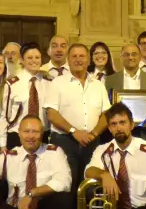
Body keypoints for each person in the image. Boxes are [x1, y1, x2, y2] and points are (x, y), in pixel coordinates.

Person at [45, 44, 110, 183]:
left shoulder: (98, 85)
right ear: (68, 60)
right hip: (65, 141)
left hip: (92, 142)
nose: (78, 59)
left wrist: (93, 134)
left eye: (82, 56)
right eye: (74, 56)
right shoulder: (57, 83)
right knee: (66, 186)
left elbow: (106, 114)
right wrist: (74, 131)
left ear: (88, 60)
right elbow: (51, 113)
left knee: (90, 185)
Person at [0, 43, 50, 150]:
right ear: (22, 60)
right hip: (17, 135)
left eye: (37, 57)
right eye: (29, 57)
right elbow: (5, 115)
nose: (34, 61)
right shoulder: (12, 83)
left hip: (42, 135)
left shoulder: (48, 82)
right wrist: (2, 144)